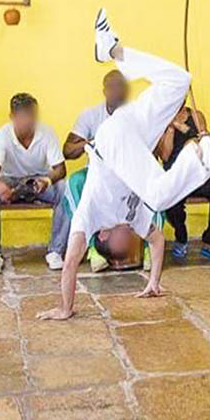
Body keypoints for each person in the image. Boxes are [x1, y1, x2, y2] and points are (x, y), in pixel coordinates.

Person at [36, 10, 210, 321]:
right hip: (133, 130)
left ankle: (201, 156)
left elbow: (71, 262)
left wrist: (65, 308)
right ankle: (112, 50)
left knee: (157, 195)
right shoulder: (135, 220)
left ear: (102, 238)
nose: (131, 243)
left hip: (112, 141)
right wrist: (153, 282)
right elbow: (157, 241)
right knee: (178, 81)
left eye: (123, 248)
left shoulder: (90, 216)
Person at [0, 93, 68, 275]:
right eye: (22, 116)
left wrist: (47, 180)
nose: (28, 121)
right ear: (12, 116)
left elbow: (61, 169)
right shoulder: (2, 136)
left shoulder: (46, 133)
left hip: (38, 180)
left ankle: (56, 251)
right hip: (10, 180)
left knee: (65, 189)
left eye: (32, 115)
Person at [50, 69, 129, 270]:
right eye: (112, 87)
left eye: (121, 87)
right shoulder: (91, 115)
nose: (117, 91)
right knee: (74, 182)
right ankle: (93, 247)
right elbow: (68, 150)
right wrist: (90, 143)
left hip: (127, 174)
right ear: (104, 90)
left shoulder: (134, 114)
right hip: (96, 174)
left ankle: (147, 248)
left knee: (153, 181)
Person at [157, 104, 210, 262]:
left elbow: (201, 138)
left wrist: (195, 139)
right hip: (176, 174)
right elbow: (165, 156)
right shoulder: (161, 118)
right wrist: (171, 127)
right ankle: (181, 238)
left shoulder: (195, 115)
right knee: (171, 196)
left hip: (199, 173)